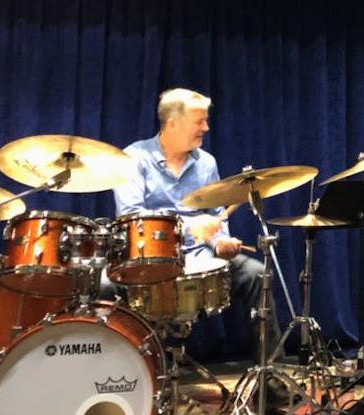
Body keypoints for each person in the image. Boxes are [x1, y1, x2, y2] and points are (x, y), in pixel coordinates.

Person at [111, 88, 283, 361]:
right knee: (102, 285)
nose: (206, 127)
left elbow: (216, 214)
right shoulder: (134, 158)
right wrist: (187, 226)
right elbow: (131, 216)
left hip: (201, 257)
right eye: (199, 121)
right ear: (172, 124)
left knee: (257, 275)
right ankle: (126, 372)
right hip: (152, 263)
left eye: (206, 120)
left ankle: (270, 373)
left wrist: (220, 241)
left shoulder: (206, 163)